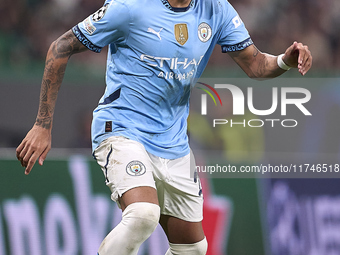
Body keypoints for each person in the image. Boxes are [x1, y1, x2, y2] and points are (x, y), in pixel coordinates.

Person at [16, 0, 312, 254]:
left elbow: (256, 64)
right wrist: (42, 125)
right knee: (143, 215)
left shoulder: (216, 9)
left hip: (173, 143)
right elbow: (60, 47)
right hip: (121, 129)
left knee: (194, 249)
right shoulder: (128, 8)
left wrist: (285, 61)